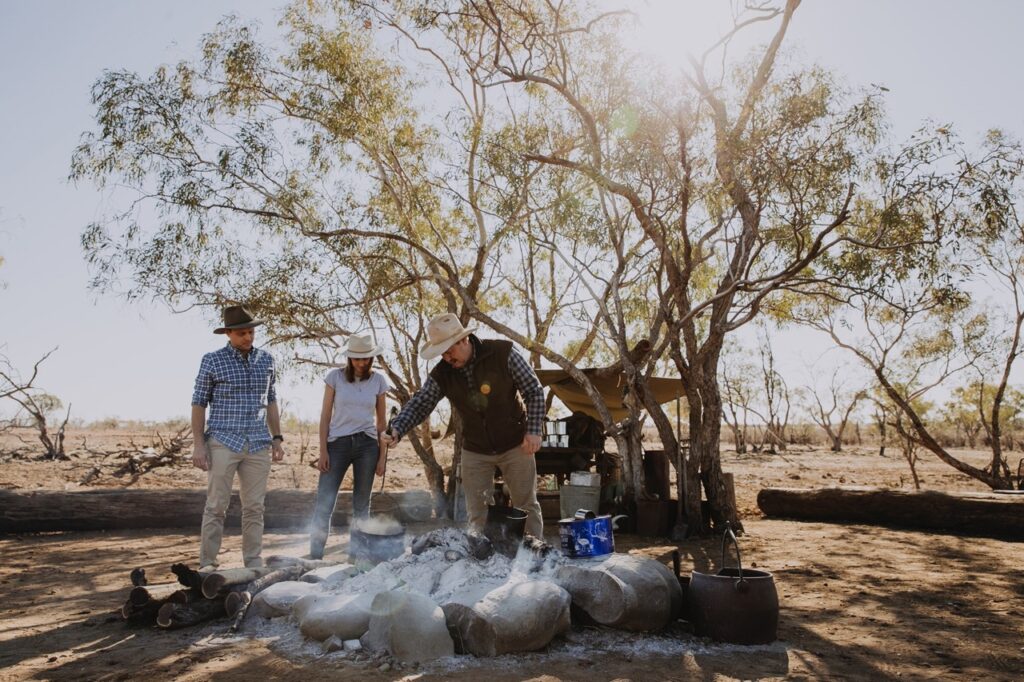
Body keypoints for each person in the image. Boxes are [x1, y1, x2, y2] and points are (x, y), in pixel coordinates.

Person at [382, 313, 546, 537]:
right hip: (475, 449)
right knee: (476, 513)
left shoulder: (503, 353)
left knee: (526, 505)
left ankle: (534, 556)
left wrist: (534, 430)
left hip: (515, 443)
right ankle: (480, 558)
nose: (447, 358)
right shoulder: (442, 373)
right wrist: (398, 428)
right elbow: (421, 403)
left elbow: (533, 390)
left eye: (449, 351)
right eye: (442, 353)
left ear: (463, 340)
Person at [190, 305, 285, 571]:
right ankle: (208, 565)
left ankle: (253, 565)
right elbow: (198, 404)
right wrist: (199, 445)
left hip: (258, 443)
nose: (248, 337)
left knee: (255, 507)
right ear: (229, 334)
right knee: (216, 506)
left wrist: (277, 438)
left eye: (251, 332)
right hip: (222, 441)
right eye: (242, 333)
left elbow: (272, 401)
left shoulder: (266, 360)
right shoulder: (212, 360)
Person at [309, 334, 390, 559]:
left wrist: (382, 457)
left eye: (365, 359)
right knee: (324, 503)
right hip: (338, 444)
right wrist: (323, 451)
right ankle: (315, 557)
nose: (361, 363)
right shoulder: (334, 378)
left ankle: (358, 558)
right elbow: (325, 416)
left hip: (367, 445)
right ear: (349, 358)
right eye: (356, 359)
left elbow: (382, 423)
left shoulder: (379, 381)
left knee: (362, 505)